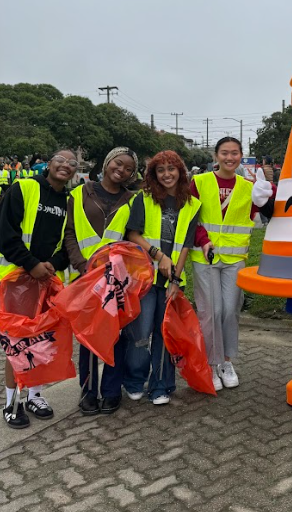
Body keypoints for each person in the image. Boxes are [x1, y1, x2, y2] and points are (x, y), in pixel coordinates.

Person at [190, 137, 275, 391]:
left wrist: (268, 191)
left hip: (235, 259)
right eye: (224, 153)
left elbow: (270, 209)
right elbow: (190, 217)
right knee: (210, 312)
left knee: (229, 311)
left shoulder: (249, 187)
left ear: (241, 156)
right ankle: (210, 363)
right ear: (216, 156)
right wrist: (203, 240)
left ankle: (226, 362)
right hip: (205, 257)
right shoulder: (199, 182)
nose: (230, 158)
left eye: (235, 153)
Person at [0, 149, 77, 428]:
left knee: (43, 341)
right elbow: (5, 232)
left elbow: (69, 242)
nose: (65, 166)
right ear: (49, 164)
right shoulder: (24, 187)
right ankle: (12, 403)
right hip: (16, 278)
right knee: (17, 342)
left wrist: (52, 265)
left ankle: (35, 395)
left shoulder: (69, 201)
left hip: (47, 280)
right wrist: (31, 264)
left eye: (72, 163)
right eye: (61, 160)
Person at [64, 147, 138, 415]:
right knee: (87, 337)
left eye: (128, 168)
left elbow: (132, 240)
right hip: (85, 278)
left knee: (115, 336)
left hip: (116, 280)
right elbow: (70, 233)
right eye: (118, 163)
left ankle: (110, 391)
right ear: (108, 162)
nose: (122, 170)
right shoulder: (80, 193)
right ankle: (88, 392)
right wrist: (83, 266)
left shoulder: (133, 200)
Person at [123, 151, 201, 405]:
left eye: (171, 168)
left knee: (164, 335)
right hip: (144, 278)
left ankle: (161, 386)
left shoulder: (191, 204)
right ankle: (134, 381)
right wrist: (158, 256)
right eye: (161, 170)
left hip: (170, 282)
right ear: (153, 174)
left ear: (180, 171)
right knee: (141, 334)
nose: (167, 174)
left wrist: (176, 280)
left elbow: (186, 245)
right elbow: (132, 234)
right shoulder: (143, 199)